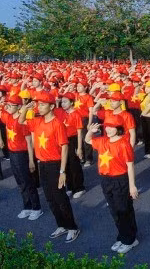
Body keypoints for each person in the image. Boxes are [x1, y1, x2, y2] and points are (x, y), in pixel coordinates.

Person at [22, 92, 80, 242]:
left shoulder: (57, 124)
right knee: (50, 198)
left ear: (52, 106)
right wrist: (24, 108)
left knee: (60, 198)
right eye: (38, 104)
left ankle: (72, 227)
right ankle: (61, 224)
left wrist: (62, 171)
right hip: (43, 165)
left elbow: (65, 148)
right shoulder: (37, 121)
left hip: (55, 165)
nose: (38, 107)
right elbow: (22, 121)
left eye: (42, 104)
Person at [85, 115, 139, 254]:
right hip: (105, 179)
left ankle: (130, 240)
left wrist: (132, 186)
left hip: (120, 180)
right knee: (114, 210)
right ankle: (122, 236)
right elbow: (87, 140)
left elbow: (130, 166)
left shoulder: (123, 143)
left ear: (119, 128)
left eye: (111, 127)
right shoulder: (102, 140)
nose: (108, 129)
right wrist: (91, 130)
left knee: (123, 210)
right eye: (106, 127)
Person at [0, 95, 42, 220]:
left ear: (19, 107)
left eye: (12, 105)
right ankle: (27, 206)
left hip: (22, 154)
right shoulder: (7, 117)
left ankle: (36, 208)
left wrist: (31, 160)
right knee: (20, 182)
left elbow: (29, 142)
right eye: (7, 104)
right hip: (12, 153)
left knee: (28, 182)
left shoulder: (22, 121)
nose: (8, 107)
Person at [60, 93, 86, 198]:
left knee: (74, 165)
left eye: (65, 102)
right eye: (62, 102)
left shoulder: (76, 114)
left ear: (71, 102)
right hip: (63, 141)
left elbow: (79, 132)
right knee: (65, 164)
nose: (63, 104)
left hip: (73, 140)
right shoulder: (61, 113)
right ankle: (70, 187)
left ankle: (79, 187)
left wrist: (79, 148)